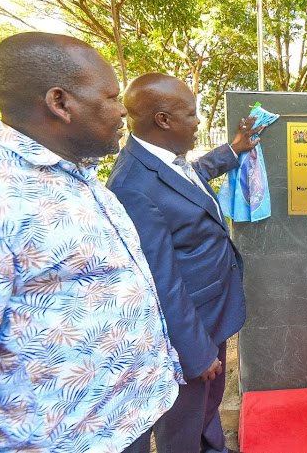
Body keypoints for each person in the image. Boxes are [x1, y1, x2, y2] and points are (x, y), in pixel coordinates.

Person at [0, 32, 182, 452]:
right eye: (111, 98)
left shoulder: (78, 176)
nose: (122, 112)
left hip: (127, 419)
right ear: (60, 102)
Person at [106, 73, 261, 453]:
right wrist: (195, 352)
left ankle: (212, 447)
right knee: (184, 415)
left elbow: (192, 179)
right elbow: (160, 280)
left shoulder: (164, 160)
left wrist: (233, 150)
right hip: (187, 329)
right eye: (191, 115)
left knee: (209, 401)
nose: (198, 122)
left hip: (210, 312)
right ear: (163, 120)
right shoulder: (131, 184)